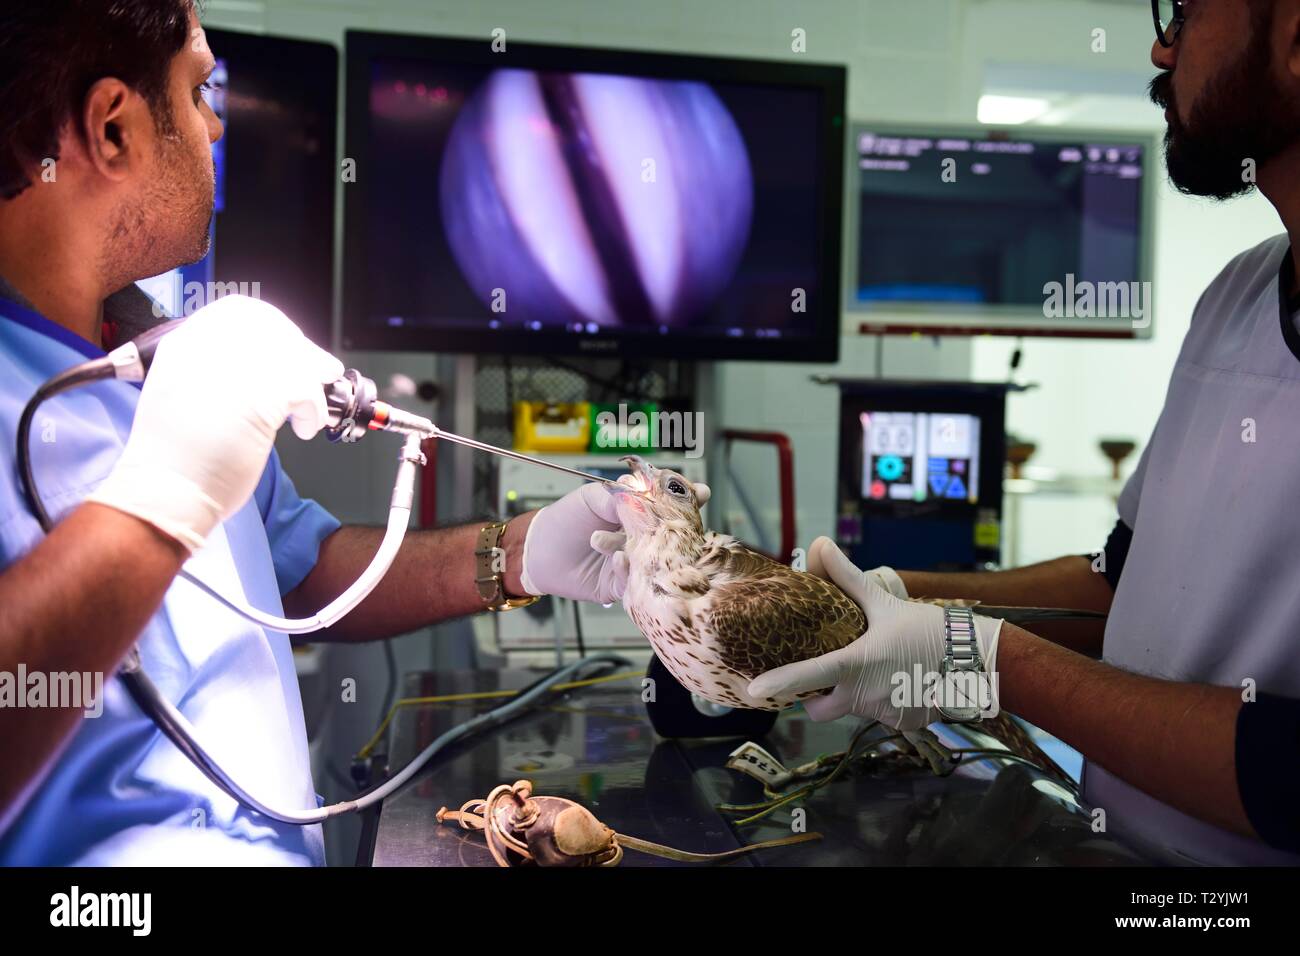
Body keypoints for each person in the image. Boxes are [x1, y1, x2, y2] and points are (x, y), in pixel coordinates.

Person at [0, 2, 634, 865]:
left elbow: (303, 577)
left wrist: (516, 555)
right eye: (197, 90)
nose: (215, 122)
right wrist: (164, 502)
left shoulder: (161, 359)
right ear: (114, 129)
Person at [752, 0, 1300, 865]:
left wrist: (981, 658)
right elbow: (1119, 584)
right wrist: (880, 595)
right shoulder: (1236, 299)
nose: (1160, 43)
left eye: (1189, 10)